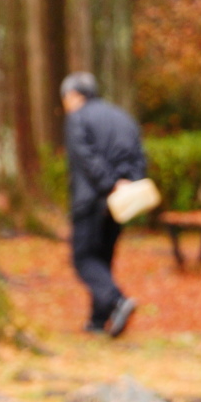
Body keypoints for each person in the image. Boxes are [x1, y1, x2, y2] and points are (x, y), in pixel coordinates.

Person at [61, 71, 146, 336]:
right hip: (122, 201)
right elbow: (139, 157)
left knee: (84, 257)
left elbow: (86, 159)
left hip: (91, 200)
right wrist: (127, 183)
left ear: (74, 96)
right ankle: (98, 321)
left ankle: (117, 301)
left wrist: (109, 184)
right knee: (103, 258)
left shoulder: (78, 118)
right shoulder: (123, 118)